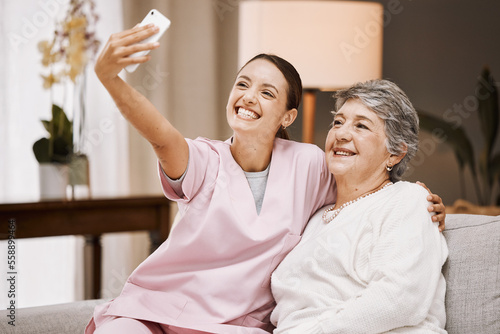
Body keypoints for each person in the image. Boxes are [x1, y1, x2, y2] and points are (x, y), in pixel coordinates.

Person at [87, 24, 446, 334]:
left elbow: (371, 189)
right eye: (243, 84)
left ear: (288, 116)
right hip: (156, 309)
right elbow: (163, 137)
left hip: (234, 325)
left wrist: (419, 196)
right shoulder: (207, 160)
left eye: (267, 92)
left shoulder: (311, 166)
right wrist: (110, 79)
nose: (248, 97)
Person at [270, 79, 449, 334]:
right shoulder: (316, 215)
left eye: (361, 126)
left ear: (395, 153)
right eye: (338, 122)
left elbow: (399, 299)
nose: (341, 134)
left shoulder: (408, 200)